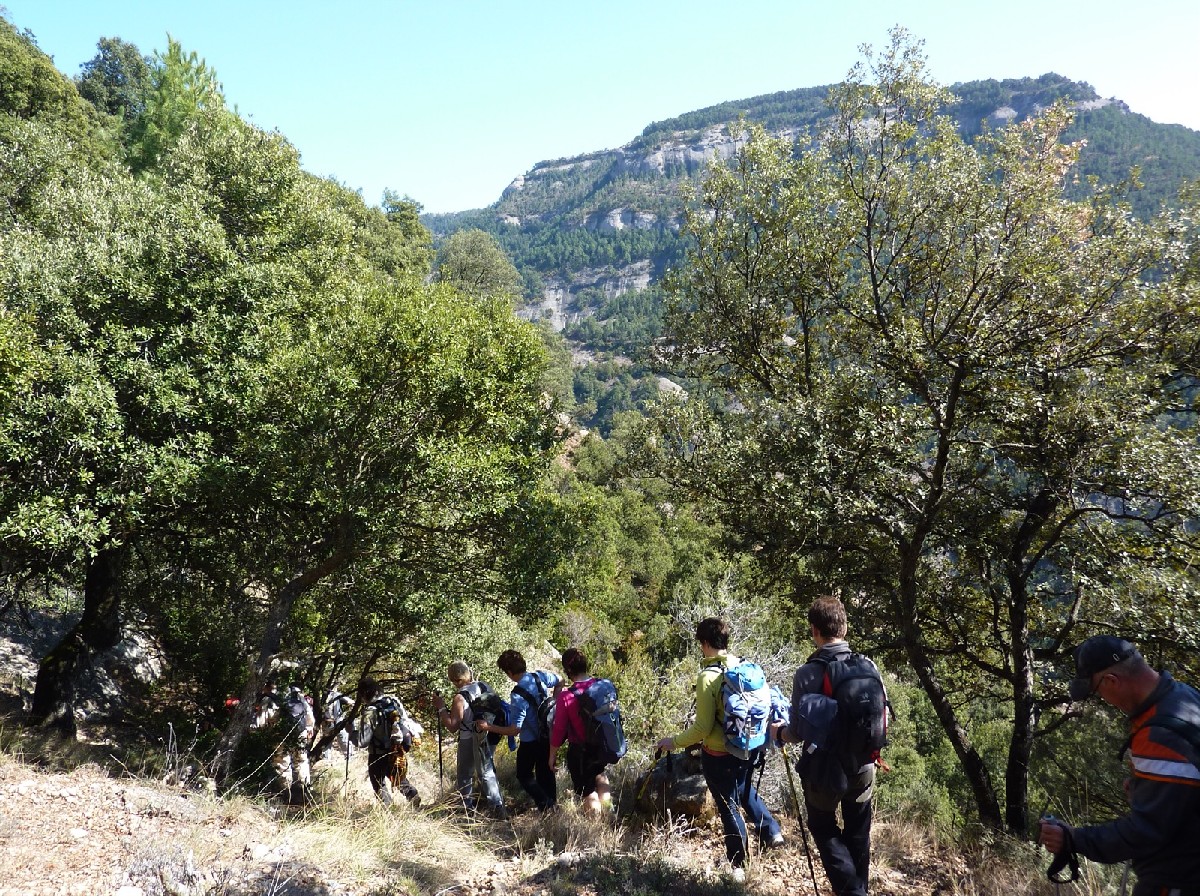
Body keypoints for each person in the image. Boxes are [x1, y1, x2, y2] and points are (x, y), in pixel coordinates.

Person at [1038, 636, 1200, 896]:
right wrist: (1145, 788)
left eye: (1098, 692)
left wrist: (1073, 838)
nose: (1104, 700)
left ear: (1111, 681)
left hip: (1176, 880)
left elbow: (1146, 832)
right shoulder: (1184, 697)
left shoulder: (1159, 733)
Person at [656, 618, 783, 880]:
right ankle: (772, 832)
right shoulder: (742, 666)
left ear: (704, 643)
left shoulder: (707, 677)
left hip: (719, 752)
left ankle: (738, 864)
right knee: (744, 789)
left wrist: (674, 742)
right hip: (749, 745)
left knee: (728, 805)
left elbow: (702, 728)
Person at [771, 596, 877, 896]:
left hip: (824, 771)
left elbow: (797, 733)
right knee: (858, 831)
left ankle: (853, 892)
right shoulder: (868, 665)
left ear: (814, 631)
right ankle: (859, 889)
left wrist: (778, 732)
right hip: (864, 763)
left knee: (822, 825)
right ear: (844, 628)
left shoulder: (807, 674)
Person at [476, 650, 560, 811]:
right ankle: (551, 808)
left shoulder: (517, 695)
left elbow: (515, 730)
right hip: (548, 734)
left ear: (509, 672)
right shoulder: (539, 676)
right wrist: (555, 700)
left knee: (524, 775)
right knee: (545, 772)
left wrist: (488, 727)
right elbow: (560, 680)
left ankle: (547, 805)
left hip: (530, 741)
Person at [433, 661, 507, 818]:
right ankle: (498, 806)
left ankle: (467, 809)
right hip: (488, 734)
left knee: (465, 774)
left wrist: (441, 708)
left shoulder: (460, 698)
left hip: (468, 737)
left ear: (455, 679)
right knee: (486, 770)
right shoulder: (484, 686)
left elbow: (452, 726)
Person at [550, 647, 613, 815]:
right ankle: (609, 814)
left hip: (580, 751)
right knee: (600, 776)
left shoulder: (567, 696)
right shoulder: (602, 685)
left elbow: (559, 729)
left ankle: (597, 825)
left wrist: (552, 755)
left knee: (587, 790)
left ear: (568, 670)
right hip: (602, 744)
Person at [355, 677, 421, 807]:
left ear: (364, 695)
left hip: (378, 753)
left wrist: (352, 733)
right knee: (396, 775)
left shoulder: (370, 712)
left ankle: (388, 809)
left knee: (378, 782)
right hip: (396, 749)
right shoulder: (393, 701)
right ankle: (413, 796)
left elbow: (362, 742)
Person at [263, 679, 316, 805]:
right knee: (301, 761)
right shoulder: (296, 695)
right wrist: (309, 727)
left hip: (280, 733)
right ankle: (304, 791)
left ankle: (286, 793)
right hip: (300, 732)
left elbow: (266, 719)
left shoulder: (270, 698)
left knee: (282, 762)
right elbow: (308, 713)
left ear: (267, 686)